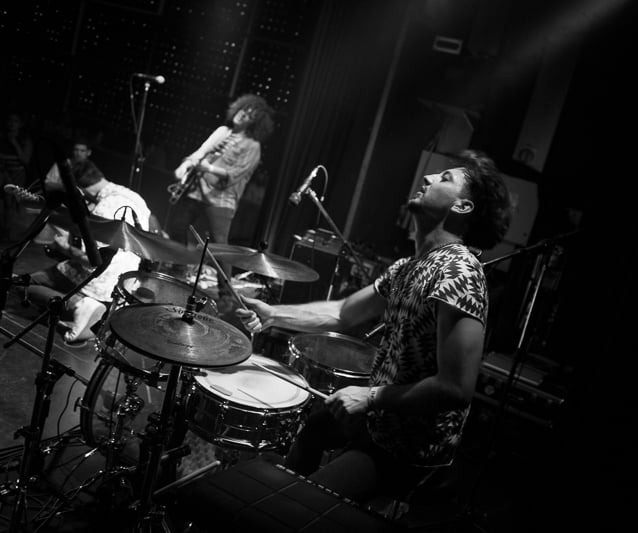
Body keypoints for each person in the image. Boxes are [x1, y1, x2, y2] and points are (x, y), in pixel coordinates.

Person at [234, 149, 513, 503]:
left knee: (307, 503)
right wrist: (273, 314)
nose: (428, 177)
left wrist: (370, 396)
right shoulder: (408, 266)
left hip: (408, 447)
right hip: (379, 419)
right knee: (312, 430)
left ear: (462, 207)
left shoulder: (459, 273)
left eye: (445, 178)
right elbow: (343, 312)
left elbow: (456, 387)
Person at [25, 158, 151, 343]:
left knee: (22, 284)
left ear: (78, 189)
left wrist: (62, 245)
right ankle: (84, 312)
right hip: (121, 283)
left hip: (96, 282)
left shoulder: (103, 209)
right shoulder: (134, 197)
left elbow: (90, 261)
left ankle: (81, 305)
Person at [167, 93, 275, 310]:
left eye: (249, 115)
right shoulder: (222, 131)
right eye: (243, 110)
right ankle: (178, 269)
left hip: (221, 199)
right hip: (196, 190)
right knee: (176, 226)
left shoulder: (253, 146)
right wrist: (185, 165)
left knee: (219, 247)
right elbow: (200, 152)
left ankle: (226, 294)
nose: (242, 115)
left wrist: (209, 168)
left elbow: (235, 174)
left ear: (255, 122)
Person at [0, 111, 34, 241]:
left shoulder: (24, 140)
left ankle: (8, 232)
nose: (11, 124)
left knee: (12, 203)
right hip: (2, 173)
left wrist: (14, 142)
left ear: (20, 124)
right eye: (10, 121)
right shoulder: (2, 137)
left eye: (15, 121)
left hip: (17, 175)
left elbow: (25, 159)